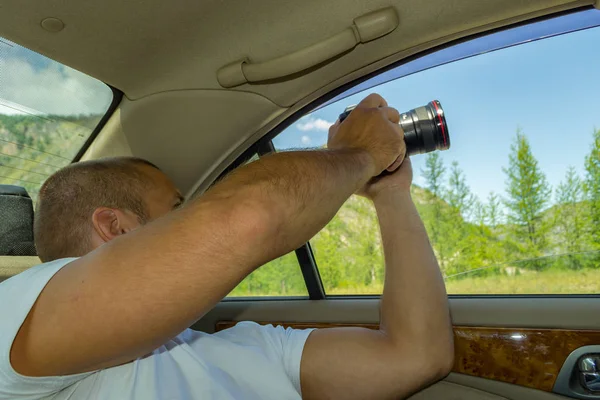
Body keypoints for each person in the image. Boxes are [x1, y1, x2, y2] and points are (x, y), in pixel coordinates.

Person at [0, 93, 453, 400]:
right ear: (114, 227)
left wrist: (391, 193)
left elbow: (417, 354)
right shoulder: (16, 313)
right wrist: (362, 154)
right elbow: (248, 218)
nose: (189, 218)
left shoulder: (245, 346)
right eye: (177, 208)